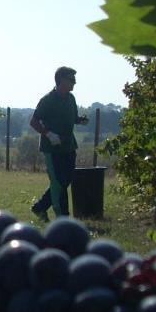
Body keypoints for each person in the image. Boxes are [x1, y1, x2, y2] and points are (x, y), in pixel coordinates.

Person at [29, 66, 88, 222]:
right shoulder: (47, 100)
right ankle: (63, 219)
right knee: (58, 182)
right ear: (61, 80)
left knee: (65, 180)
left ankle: (40, 207)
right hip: (52, 148)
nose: (74, 82)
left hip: (69, 146)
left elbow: (73, 118)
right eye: (71, 79)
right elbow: (33, 122)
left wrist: (80, 120)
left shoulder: (71, 98)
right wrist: (48, 134)